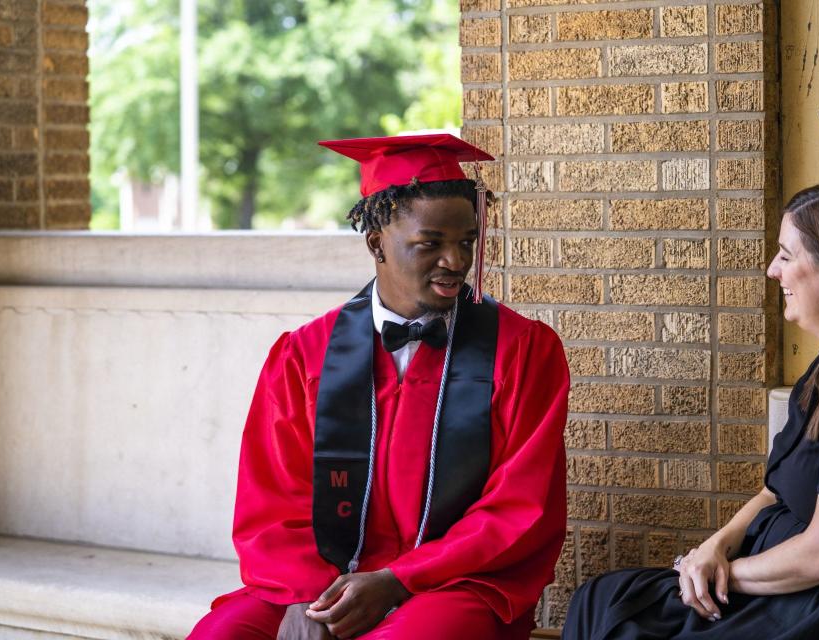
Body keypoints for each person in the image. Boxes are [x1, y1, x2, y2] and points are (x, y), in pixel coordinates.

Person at [188, 134, 570, 640]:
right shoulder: (304, 354)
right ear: (376, 244)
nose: (456, 262)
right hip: (320, 579)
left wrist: (396, 580)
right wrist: (309, 596)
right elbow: (271, 500)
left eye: (466, 242)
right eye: (430, 243)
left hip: (452, 585)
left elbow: (521, 506)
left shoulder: (523, 350)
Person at [563, 182, 819, 639]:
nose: (771, 270)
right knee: (602, 598)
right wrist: (713, 547)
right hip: (786, 586)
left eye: (786, 255)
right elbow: (774, 492)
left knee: (621, 622)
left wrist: (722, 572)